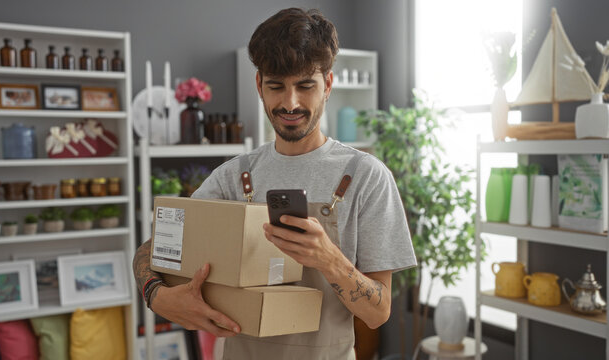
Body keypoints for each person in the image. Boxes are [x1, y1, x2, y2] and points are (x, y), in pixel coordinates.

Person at [133, 7, 416, 359]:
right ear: (259, 86)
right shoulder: (233, 176)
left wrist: (329, 259)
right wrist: (156, 294)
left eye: (305, 86)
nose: (290, 102)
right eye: (276, 86)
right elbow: (152, 248)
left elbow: (378, 312)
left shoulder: (367, 177)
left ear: (327, 85)